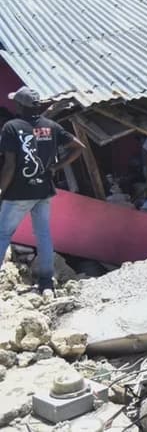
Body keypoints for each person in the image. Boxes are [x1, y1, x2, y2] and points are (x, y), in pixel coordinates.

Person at [0, 87, 84, 295]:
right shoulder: (51, 126)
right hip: (44, 190)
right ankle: (47, 281)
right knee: (43, 235)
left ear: (19, 106)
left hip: (19, 192)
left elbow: (10, 165)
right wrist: (56, 167)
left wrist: (1, 189)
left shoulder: (11, 127)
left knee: (2, 234)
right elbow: (79, 146)